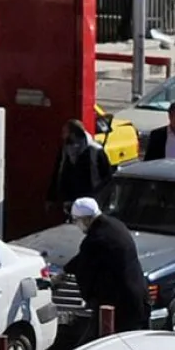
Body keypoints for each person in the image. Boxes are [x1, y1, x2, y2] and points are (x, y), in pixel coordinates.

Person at [65, 198, 149, 335]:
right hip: (137, 298)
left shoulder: (95, 239)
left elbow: (85, 270)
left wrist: (89, 297)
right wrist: (66, 269)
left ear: (86, 219)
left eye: (76, 220)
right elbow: (85, 257)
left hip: (118, 306)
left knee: (101, 343)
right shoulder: (115, 225)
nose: (76, 225)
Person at [48, 120, 112, 218]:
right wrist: (51, 198)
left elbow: (107, 177)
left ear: (73, 134)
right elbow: (57, 173)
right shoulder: (65, 150)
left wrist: (103, 198)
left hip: (90, 200)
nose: (62, 135)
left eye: (65, 132)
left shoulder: (95, 150)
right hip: (69, 201)